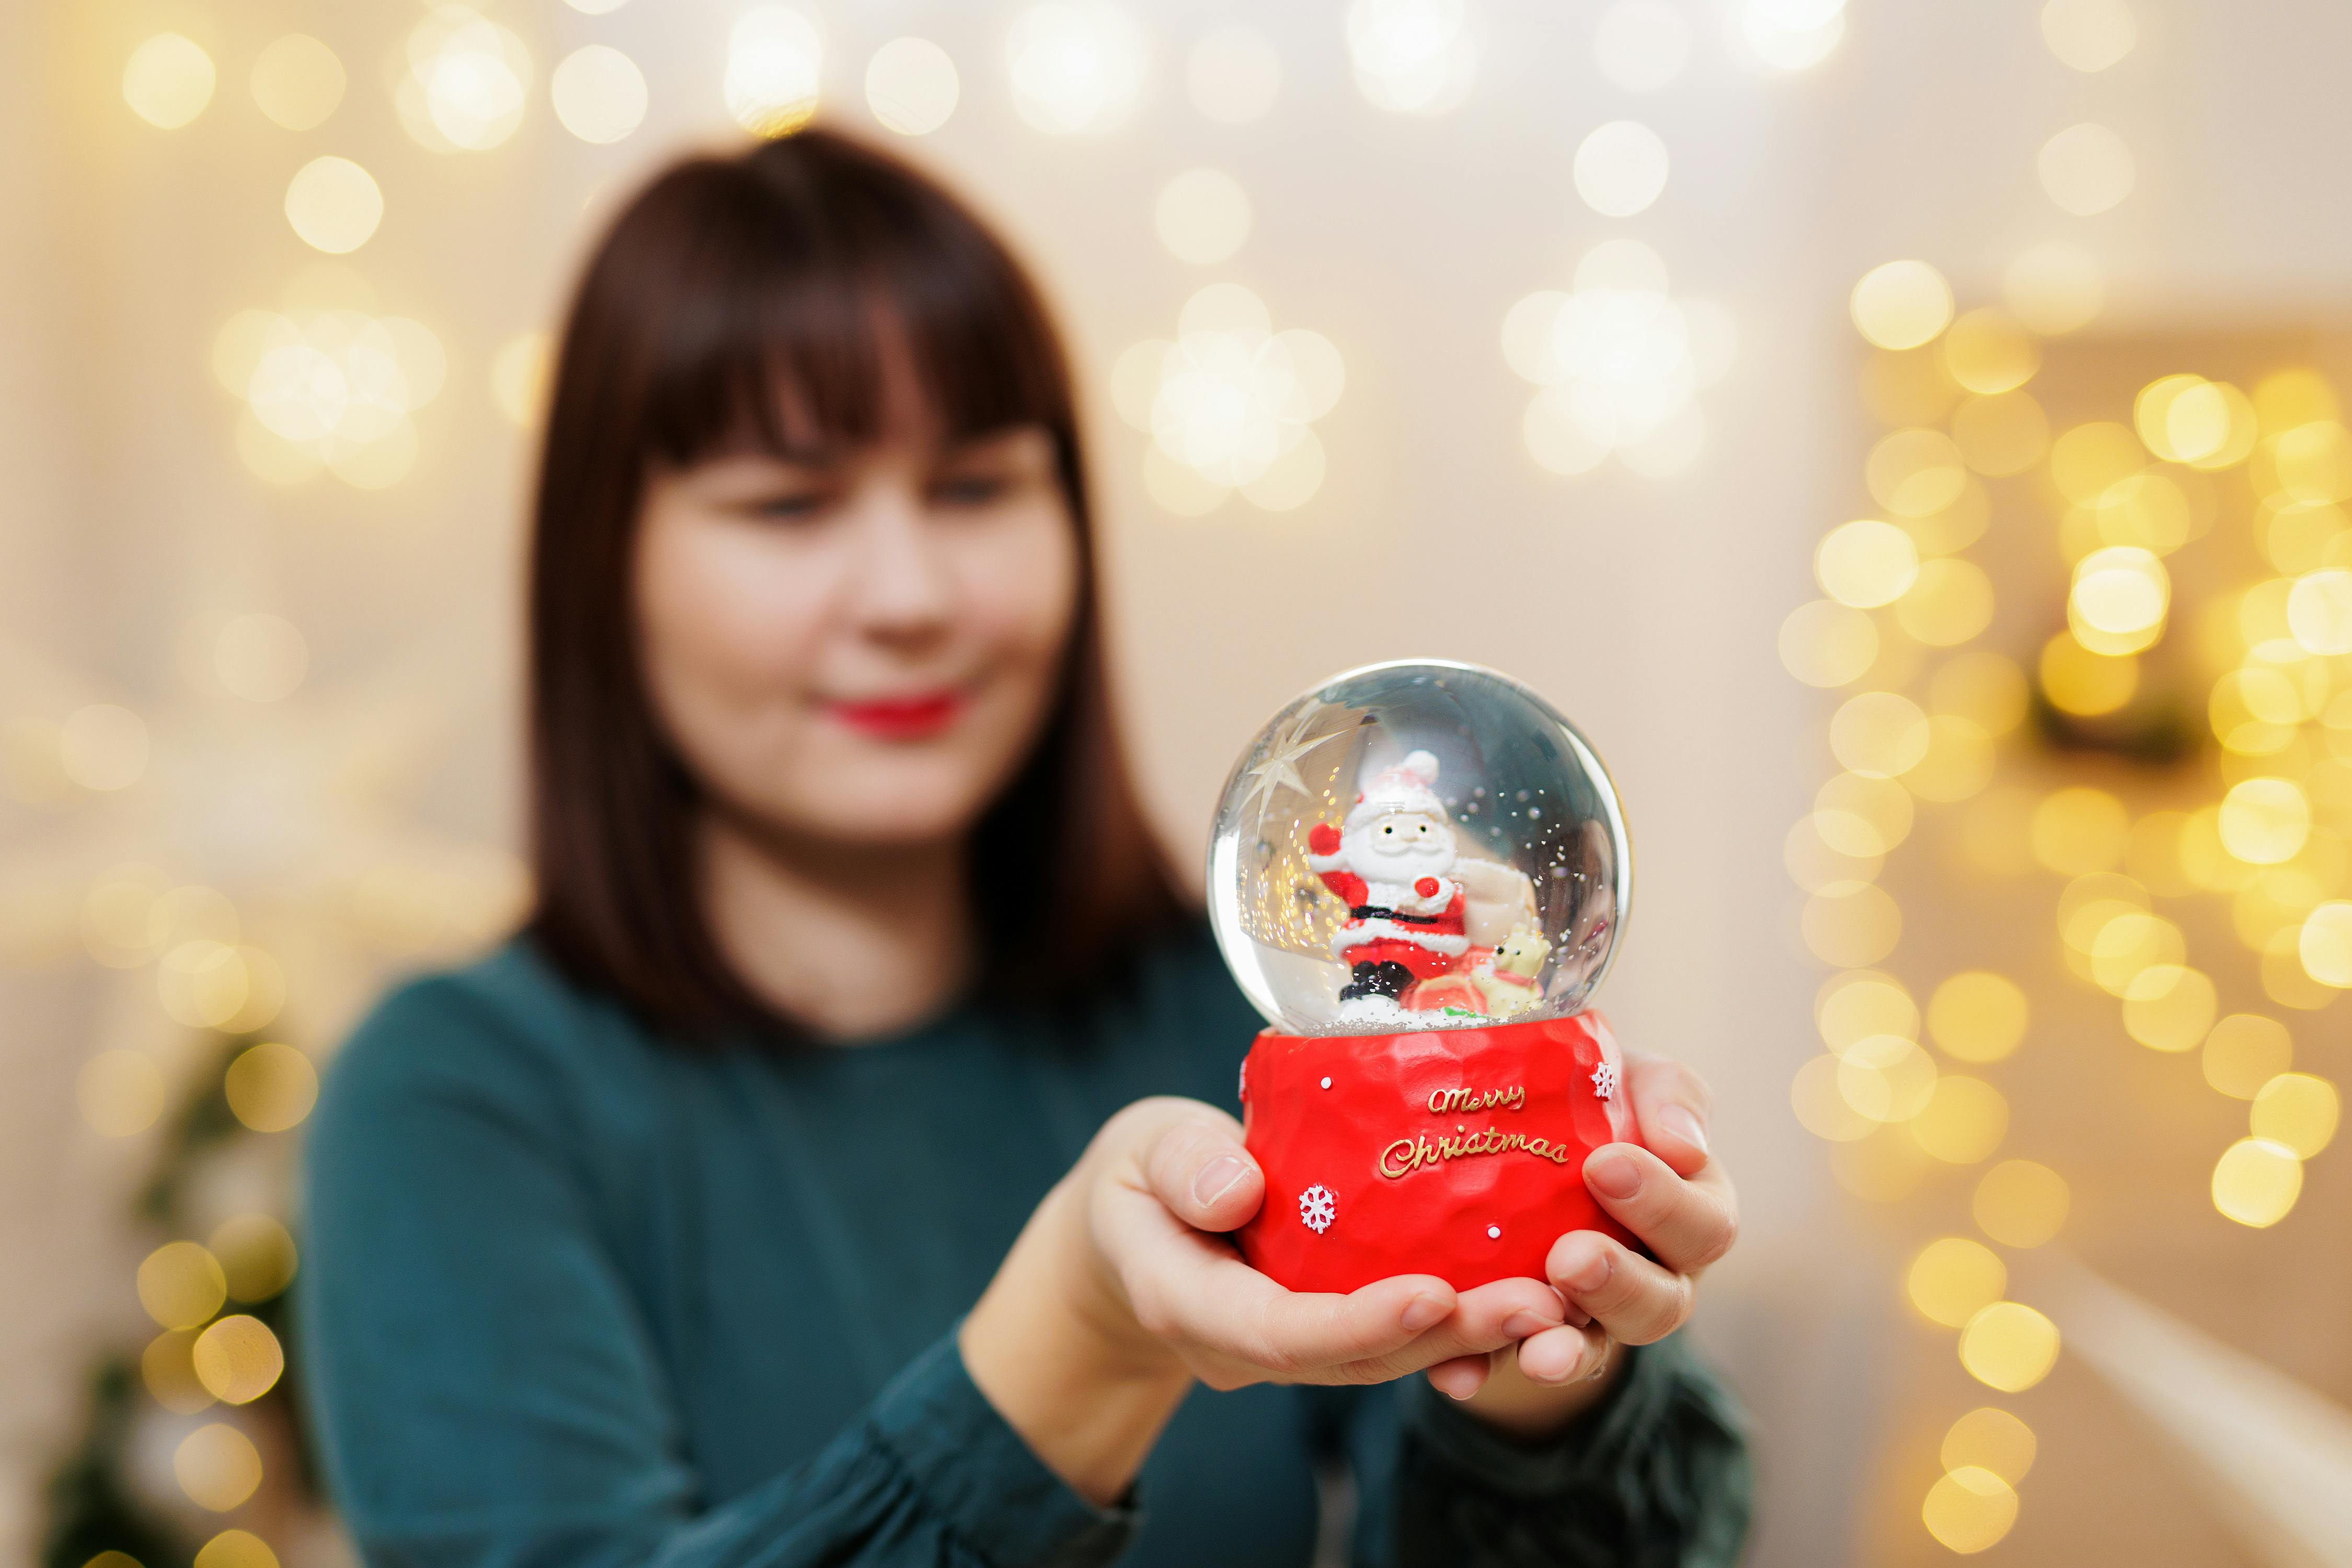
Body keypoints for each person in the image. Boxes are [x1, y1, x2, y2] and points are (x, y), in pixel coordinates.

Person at [295, 127, 1750, 1568]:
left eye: (976, 485)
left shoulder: (1245, 1020)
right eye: (787, 504)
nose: (909, 593)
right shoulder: (461, 1100)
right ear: (605, 566)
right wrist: (1083, 1337)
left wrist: (1532, 1373)